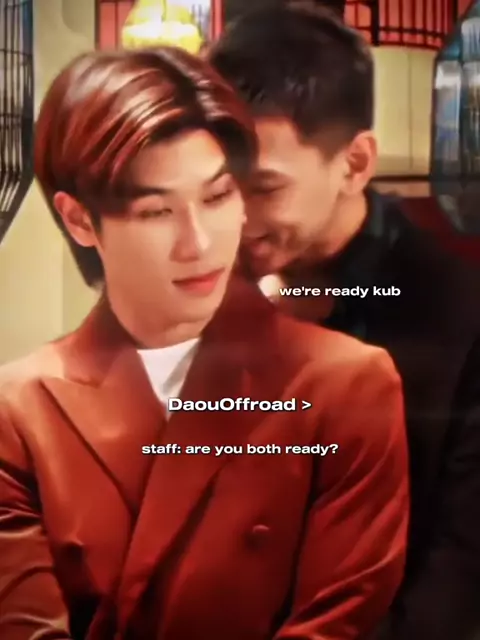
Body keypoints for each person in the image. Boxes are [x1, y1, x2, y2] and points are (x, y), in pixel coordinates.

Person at [0, 46, 408, 640]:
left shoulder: (346, 384)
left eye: (217, 197)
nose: (199, 243)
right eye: (156, 211)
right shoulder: (19, 410)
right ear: (81, 220)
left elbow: (338, 618)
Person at [209, 3, 480, 640]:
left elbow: (459, 577)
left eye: (264, 187)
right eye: (221, 185)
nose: (236, 217)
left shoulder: (458, 317)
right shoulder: (207, 281)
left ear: (355, 164)